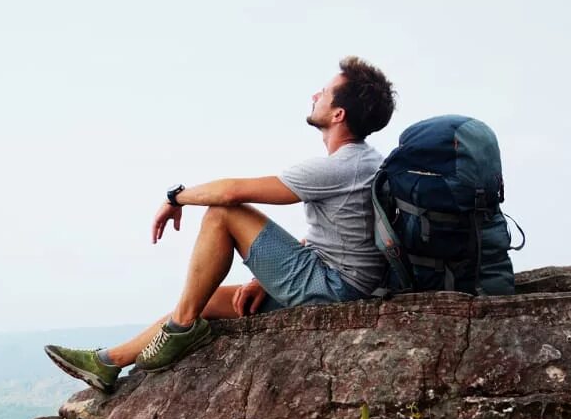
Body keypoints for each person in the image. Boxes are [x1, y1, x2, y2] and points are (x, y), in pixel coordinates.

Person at [44, 57, 396, 392]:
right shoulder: (364, 162)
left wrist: (175, 198)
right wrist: (263, 279)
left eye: (324, 92)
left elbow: (229, 193)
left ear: (338, 113)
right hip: (339, 280)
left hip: (333, 288)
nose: (314, 95)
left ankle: (180, 329)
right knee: (207, 300)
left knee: (221, 214)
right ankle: (109, 362)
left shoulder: (336, 168)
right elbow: (342, 236)